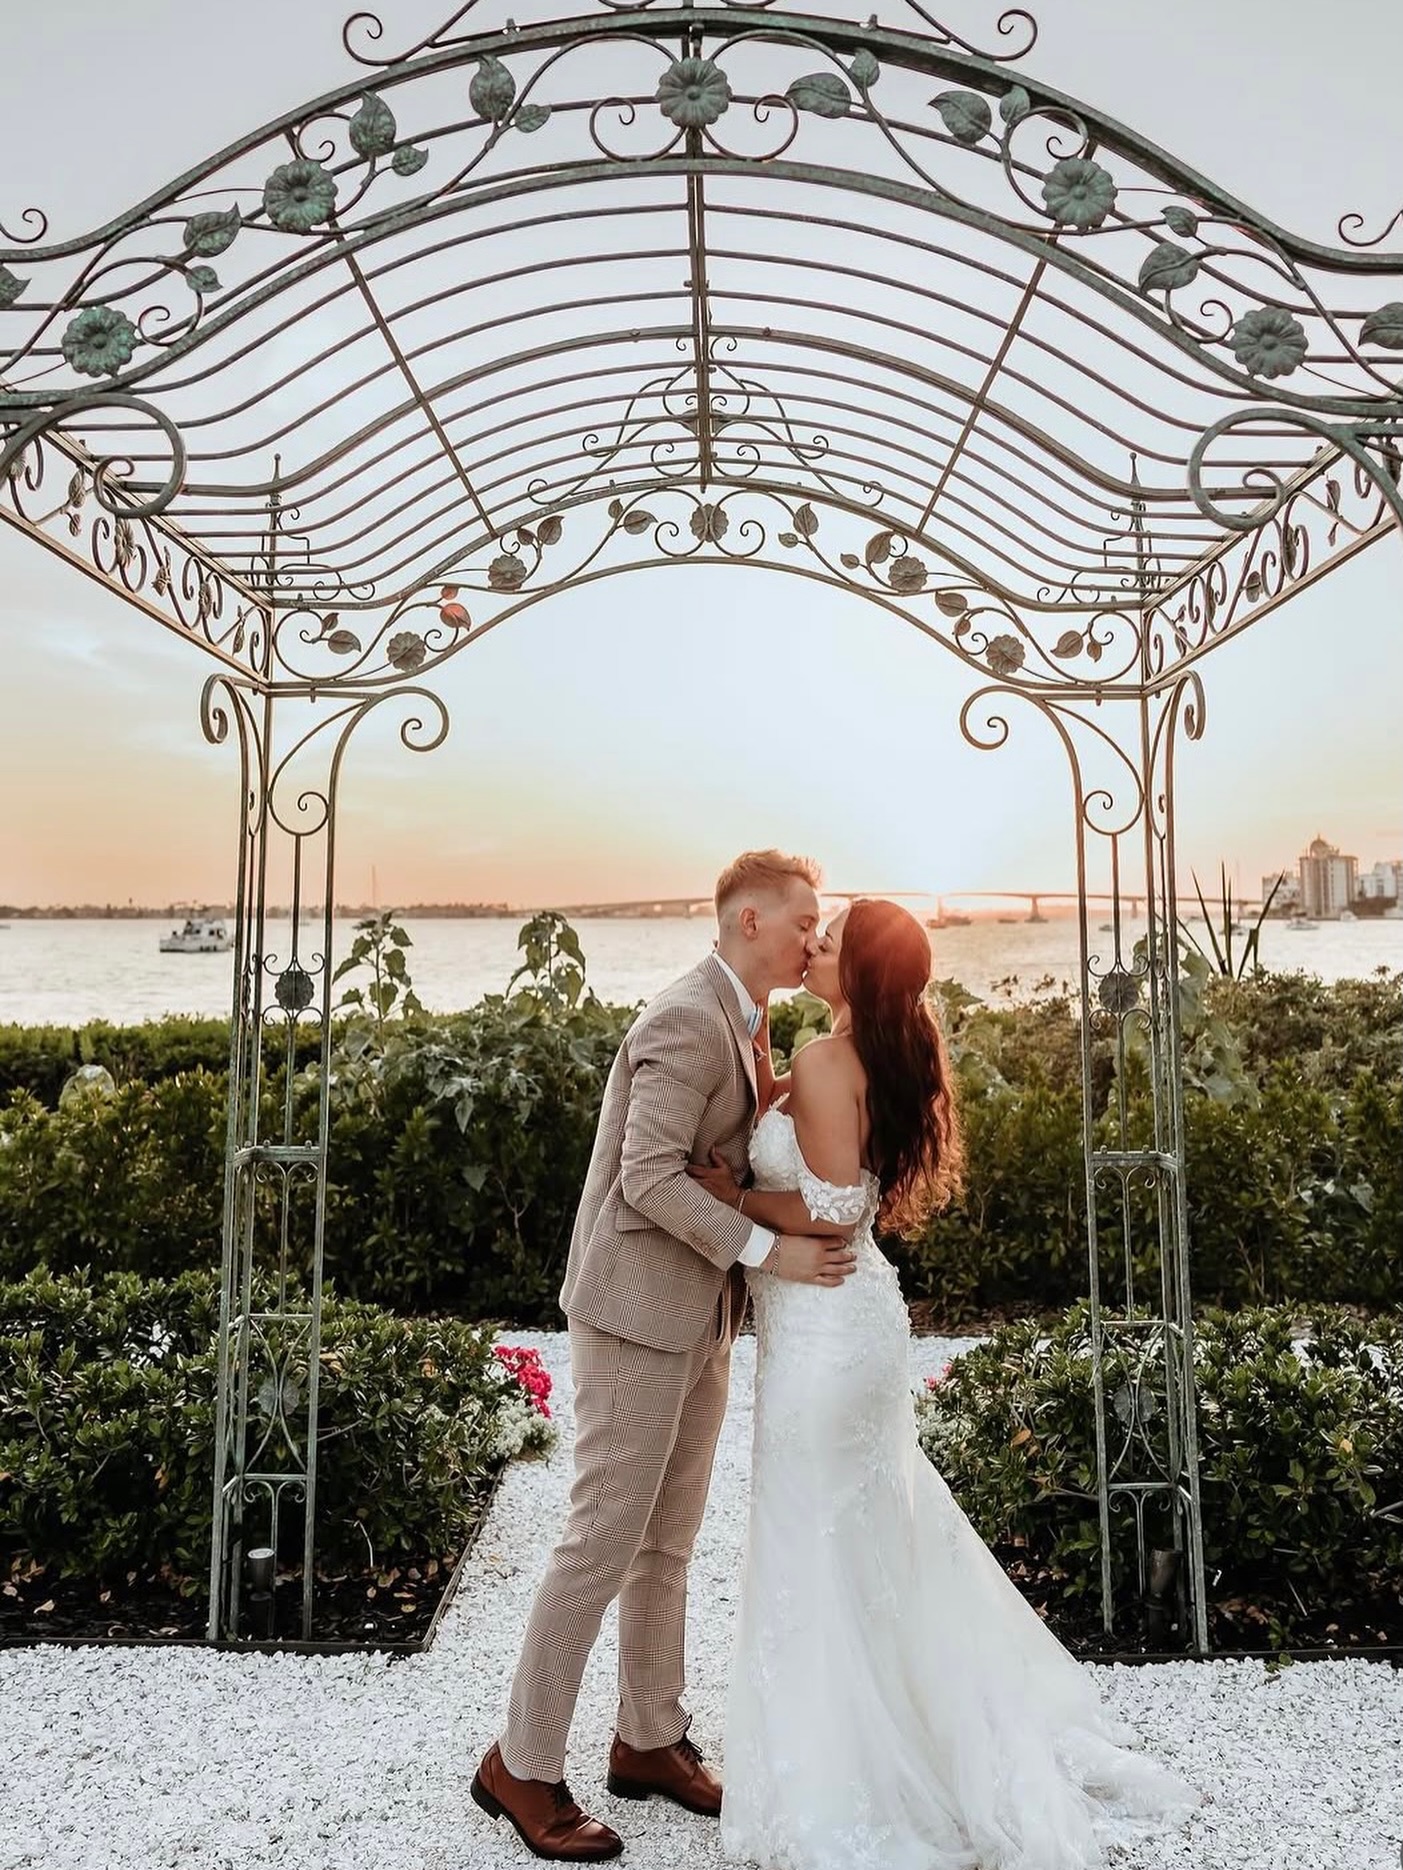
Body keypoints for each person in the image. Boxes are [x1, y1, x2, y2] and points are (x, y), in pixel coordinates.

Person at [690, 898, 1203, 1870]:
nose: (814, 946)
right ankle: (885, 1740)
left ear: (865, 972)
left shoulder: (830, 1057)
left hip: (829, 1326)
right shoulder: (846, 1052)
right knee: (859, 1540)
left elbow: (837, 1206)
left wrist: (734, 1198)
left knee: (816, 1539)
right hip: (836, 1326)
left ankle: (845, 1776)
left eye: (831, 939)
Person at [473, 850, 858, 1863]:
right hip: (636, 1312)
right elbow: (646, 1178)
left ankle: (648, 1737)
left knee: (667, 1542)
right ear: (744, 921)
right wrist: (769, 1245)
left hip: (698, 1314)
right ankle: (521, 1764)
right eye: (801, 920)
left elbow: (718, 1151)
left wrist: (740, 1166)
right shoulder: (686, 1016)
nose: (813, 937)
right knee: (600, 1537)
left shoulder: (746, 1013)